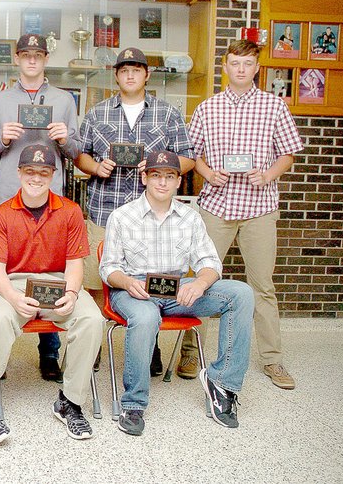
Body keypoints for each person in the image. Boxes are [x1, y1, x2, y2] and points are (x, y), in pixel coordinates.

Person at [99, 150, 254, 435]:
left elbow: (209, 263)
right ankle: (133, 403)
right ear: (144, 177)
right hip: (134, 288)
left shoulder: (190, 218)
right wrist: (125, 282)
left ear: (178, 181)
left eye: (169, 177)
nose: (162, 182)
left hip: (177, 289)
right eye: (156, 175)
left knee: (240, 294)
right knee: (145, 318)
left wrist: (199, 284)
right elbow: (109, 268)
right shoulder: (122, 216)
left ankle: (222, 384)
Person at [182, 39, 303, 390]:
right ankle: (191, 351)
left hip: (258, 208)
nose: (240, 69)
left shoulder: (274, 107)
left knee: (262, 285)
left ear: (256, 68)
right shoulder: (208, 108)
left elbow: (289, 153)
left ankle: (272, 360)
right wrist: (207, 173)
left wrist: (267, 174)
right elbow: (193, 153)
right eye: (234, 62)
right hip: (217, 206)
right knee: (198, 279)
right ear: (225, 66)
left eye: (247, 63)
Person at [0, 144, 103, 446]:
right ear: (19, 173)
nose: (36, 177)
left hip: (58, 282)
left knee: (91, 319)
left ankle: (69, 401)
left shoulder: (70, 212)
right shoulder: (2, 214)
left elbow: (74, 265)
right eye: (30, 171)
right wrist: (13, 297)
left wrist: (72, 292)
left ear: (53, 175)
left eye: (43, 172)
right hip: (13, 283)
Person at [76, 47, 194, 376]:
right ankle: (95, 342)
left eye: (136, 69)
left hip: (151, 217)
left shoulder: (168, 114)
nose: (130, 74)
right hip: (105, 210)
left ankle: (149, 341)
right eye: (124, 69)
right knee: (95, 282)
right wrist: (97, 167)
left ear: (147, 75)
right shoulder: (97, 113)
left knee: (150, 279)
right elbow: (80, 156)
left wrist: (161, 165)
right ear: (116, 75)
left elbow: (188, 157)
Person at [0, 33, 82, 382]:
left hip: (51, 194)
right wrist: (2, 138)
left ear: (45, 59)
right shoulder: (0, 100)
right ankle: (0, 353)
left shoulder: (63, 100)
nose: (31, 60)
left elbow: (76, 150)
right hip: (10, 194)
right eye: (25, 54)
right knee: (11, 272)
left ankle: (49, 352)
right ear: (17, 58)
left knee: (50, 271)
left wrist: (64, 138)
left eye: (38, 55)